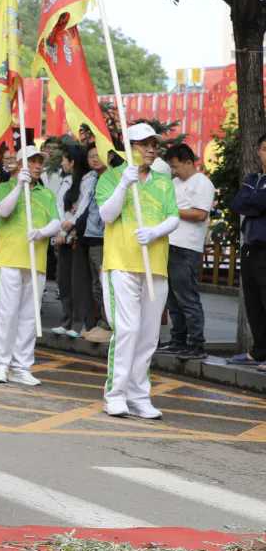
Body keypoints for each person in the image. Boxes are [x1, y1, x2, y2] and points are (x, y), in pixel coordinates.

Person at [96, 122, 179, 418]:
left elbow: (174, 217)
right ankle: (115, 394)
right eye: (144, 144)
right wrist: (123, 184)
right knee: (127, 329)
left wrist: (156, 231)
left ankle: (139, 394)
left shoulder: (163, 181)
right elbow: (107, 215)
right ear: (129, 147)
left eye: (154, 144)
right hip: (121, 263)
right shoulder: (110, 177)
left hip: (155, 266)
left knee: (148, 335)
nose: (151, 149)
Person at [0, 146, 61, 386]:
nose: (38, 166)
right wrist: (19, 186)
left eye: (40, 161)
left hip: (35, 262)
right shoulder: (5, 187)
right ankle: (1, 364)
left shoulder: (46, 193)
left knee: (29, 317)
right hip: (9, 259)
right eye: (32, 161)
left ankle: (21, 366)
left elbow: (56, 222)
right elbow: (3, 211)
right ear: (20, 164)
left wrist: (42, 232)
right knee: (6, 313)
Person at [157, 144, 214, 360]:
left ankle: (196, 344)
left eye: (176, 166)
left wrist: (172, 211)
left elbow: (200, 214)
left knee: (187, 297)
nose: (174, 171)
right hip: (169, 244)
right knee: (172, 298)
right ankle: (178, 340)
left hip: (187, 247)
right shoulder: (174, 183)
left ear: (189, 162)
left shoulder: (202, 183)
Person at [229, 133, 266, 371]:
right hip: (250, 247)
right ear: (258, 151)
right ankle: (259, 350)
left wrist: (255, 201)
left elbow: (258, 203)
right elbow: (238, 204)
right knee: (253, 303)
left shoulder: (253, 184)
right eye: (265, 149)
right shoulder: (253, 178)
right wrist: (256, 201)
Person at [52, 145, 91, 338]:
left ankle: (78, 323)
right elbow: (59, 206)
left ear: (72, 162)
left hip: (77, 237)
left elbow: (83, 207)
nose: (61, 163)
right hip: (63, 236)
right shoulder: (66, 180)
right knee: (63, 279)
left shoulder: (88, 180)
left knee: (78, 281)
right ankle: (66, 320)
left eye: (64, 159)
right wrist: (61, 230)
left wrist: (72, 225)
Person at [79, 143, 111, 343]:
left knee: (104, 282)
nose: (94, 158)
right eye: (91, 155)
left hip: (106, 237)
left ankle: (108, 324)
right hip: (90, 235)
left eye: (98, 154)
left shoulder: (113, 178)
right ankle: (101, 322)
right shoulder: (89, 178)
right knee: (96, 284)